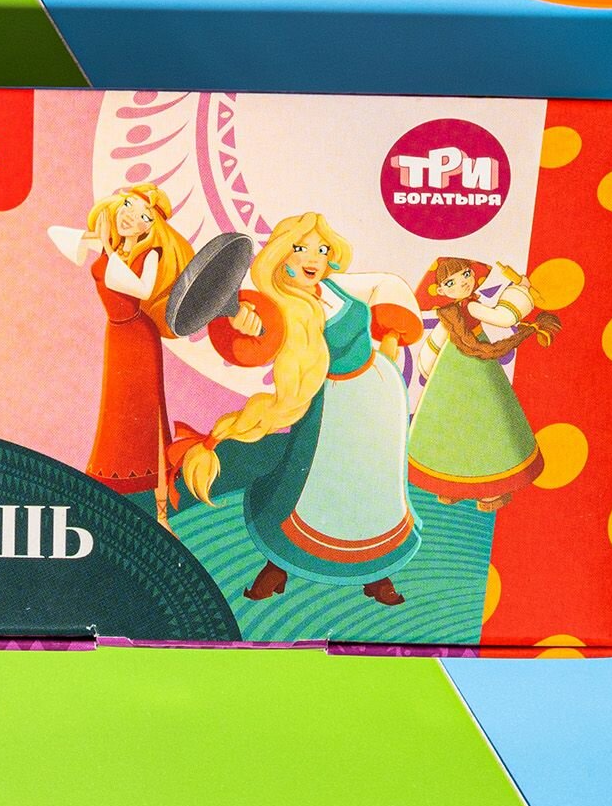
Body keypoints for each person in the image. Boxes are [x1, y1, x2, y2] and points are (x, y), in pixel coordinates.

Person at [171, 211, 423, 605]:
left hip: (380, 396)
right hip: (332, 408)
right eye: (301, 248)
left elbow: (383, 287)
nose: (313, 258)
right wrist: (242, 324)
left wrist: (389, 337)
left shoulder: (332, 286)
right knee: (311, 488)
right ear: (281, 255)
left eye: (322, 250)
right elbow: (254, 340)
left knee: (377, 484)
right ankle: (278, 565)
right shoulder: (276, 305)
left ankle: (378, 572)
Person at [48, 186, 194, 503]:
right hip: (116, 335)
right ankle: (113, 481)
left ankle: (159, 503)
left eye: (144, 217)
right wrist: (101, 236)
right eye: (128, 205)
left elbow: (140, 290)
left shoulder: (150, 255)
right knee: (115, 411)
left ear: (151, 229)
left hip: (138, 337)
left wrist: (107, 247)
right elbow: (56, 233)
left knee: (146, 413)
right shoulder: (111, 245)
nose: (131, 216)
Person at [406, 257, 560, 513]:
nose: (463, 283)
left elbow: (436, 346)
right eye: (451, 282)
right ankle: (456, 485)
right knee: (464, 425)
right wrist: (520, 290)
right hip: (463, 372)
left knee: (478, 425)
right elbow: (504, 317)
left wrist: (429, 368)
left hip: (461, 373)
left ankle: (479, 489)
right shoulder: (464, 309)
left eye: (466, 274)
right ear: (441, 290)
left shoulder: (461, 309)